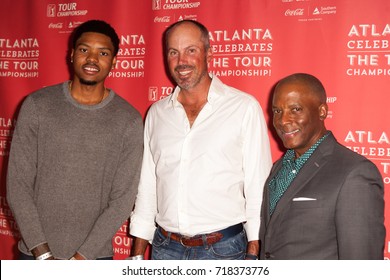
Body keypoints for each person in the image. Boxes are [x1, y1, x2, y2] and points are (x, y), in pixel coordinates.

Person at [129, 20, 272, 260]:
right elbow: (148, 186)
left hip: (224, 250)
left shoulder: (243, 107)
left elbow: (257, 186)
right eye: (173, 52)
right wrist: (136, 255)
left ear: (209, 53)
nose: (181, 61)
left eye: (190, 50)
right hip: (164, 249)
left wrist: (253, 252)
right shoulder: (157, 113)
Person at [6, 20, 144, 260]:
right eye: (84, 50)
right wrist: (42, 254)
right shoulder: (38, 105)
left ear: (113, 61)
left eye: (103, 53)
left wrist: (81, 259)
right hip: (34, 256)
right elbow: (18, 185)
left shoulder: (128, 120)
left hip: (94, 259)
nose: (92, 59)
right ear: (71, 54)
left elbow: (123, 200)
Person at [259, 73, 385, 260]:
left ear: (322, 111)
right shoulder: (279, 167)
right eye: (277, 111)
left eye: (295, 109)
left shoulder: (355, 173)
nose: (283, 120)